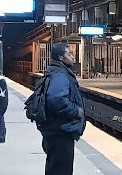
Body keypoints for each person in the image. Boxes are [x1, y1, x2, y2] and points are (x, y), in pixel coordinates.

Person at [37, 44, 85, 175]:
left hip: (56, 131)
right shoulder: (60, 75)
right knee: (61, 170)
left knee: (55, 168)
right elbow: (56, 99)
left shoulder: (57, 72)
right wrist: (76, 111)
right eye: (69, 54)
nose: (73, 56)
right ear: (60, 57)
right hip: (61, 132)